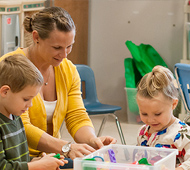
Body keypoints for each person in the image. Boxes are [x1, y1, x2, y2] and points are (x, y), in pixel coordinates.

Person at [1, 6, 116, 169]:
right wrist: (65, 147)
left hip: (52, 155)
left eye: (69, 46)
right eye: (57, 48)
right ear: (36, 37)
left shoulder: (68, 70)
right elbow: (21, 126)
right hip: (23, 159)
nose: (64, 55)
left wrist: (91, 141)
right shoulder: (11, 67)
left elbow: (76, 115)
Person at [0, 54, 68, 170]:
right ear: (5, 91)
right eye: (26, 99)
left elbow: (20, 160)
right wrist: (37, 166)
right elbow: (3, 167)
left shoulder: (15, 116)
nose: (30, 105)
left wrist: (38, 162)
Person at [136, 65, 190, 170]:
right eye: (144, 114)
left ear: (173, 104)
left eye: (157, 114)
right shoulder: (142, 133)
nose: (150, 120)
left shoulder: (183, 134)